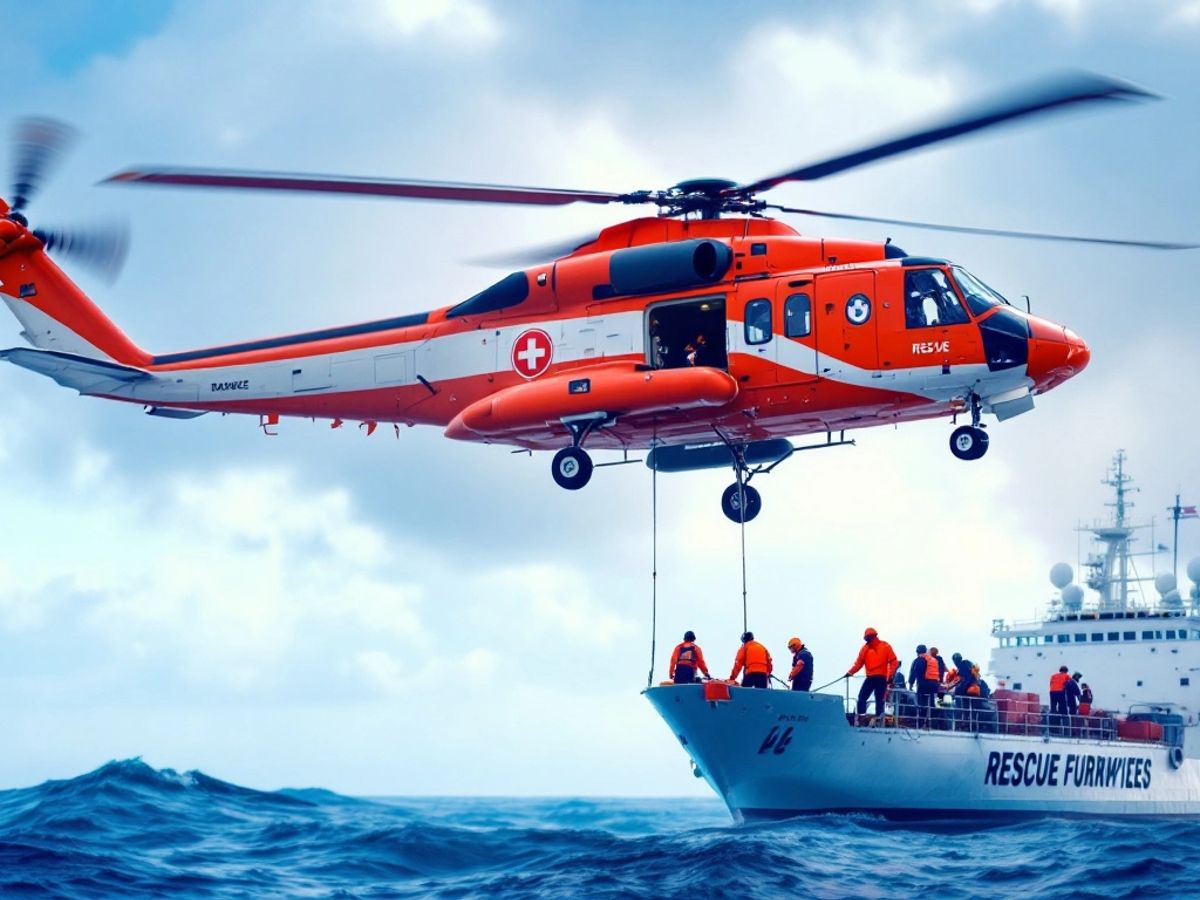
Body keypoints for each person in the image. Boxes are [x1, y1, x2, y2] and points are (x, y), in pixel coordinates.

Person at [845, 627, 899, 724]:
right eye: (867, 638)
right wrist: (850, 672)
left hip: (880, 678)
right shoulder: (870, 648)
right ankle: (864, 718)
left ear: (874, 636)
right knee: (864, 698)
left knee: (875, 699)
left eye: (869, 638)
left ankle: (876, 719)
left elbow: (893, 662)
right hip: (873, 678)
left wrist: (890, 676)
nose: (869, 640)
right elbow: (859, 663)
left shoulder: (883, 646)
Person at [910, 645, 942, 726]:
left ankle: (920, 723)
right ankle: (931, 722)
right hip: (934, 686)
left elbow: (913, 673)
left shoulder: (919, 660)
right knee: (931, 704)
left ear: (917, 652)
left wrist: (911, 684)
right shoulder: (933, 660)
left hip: (923, 685)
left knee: (922, 704)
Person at [1049, 666, 1071, 730]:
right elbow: (1070, 683)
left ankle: (1053, 723)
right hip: (1060, 692)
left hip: (1052, 692)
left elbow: (1051, 684)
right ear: (1066, 671)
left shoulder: (1053, 676)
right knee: (1063, 708)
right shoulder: (1067, 676)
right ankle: (1065, 726)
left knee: (1053, 707)